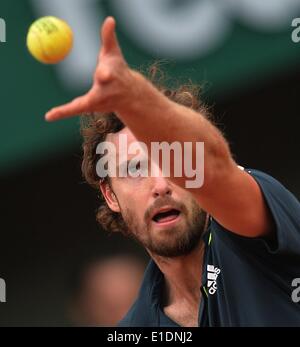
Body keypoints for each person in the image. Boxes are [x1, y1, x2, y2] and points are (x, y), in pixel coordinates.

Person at [45, 17, 300, 326]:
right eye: (136, 168)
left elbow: (217, 169)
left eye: (174, 162)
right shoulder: (137, 328)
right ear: (110, 195)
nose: (161, 184)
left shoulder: (251, 227)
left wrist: (136, 97)